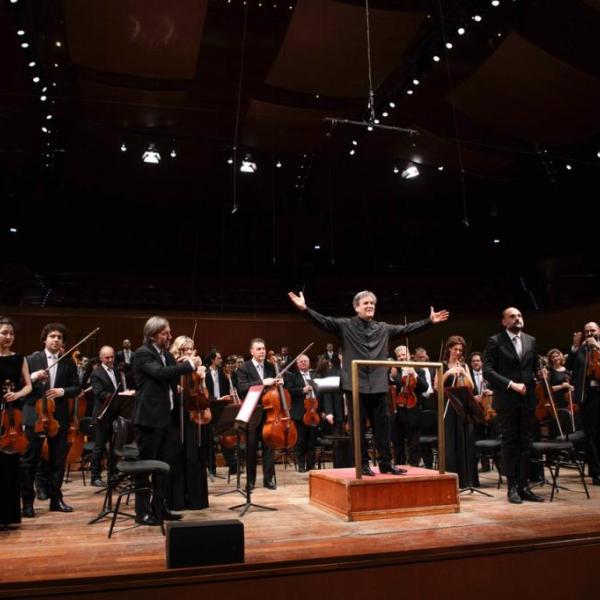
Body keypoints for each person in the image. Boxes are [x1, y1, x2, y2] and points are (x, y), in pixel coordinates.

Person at [288, 289, 449, 476]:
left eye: (372, 303)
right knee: (358, 428)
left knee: (383, 428)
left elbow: (407, 329)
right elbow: (323, 321)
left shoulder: (383, 328)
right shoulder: (345, 325)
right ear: (357, 307)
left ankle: (386, 464)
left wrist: (429, 322)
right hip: (355, 386)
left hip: (379, 386)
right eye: (365, 303)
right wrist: (305, 309)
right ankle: (362, 464)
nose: (370, 306)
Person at [132, 316, 201, 526]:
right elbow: (161, 374)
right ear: (152, 335)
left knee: (162, 467)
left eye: (169, 332)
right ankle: (142, 512)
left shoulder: (164, 354)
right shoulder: (143, 353)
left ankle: (159, 508)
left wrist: (185, 363)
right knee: (145, 468)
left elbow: (173, 372)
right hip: (149, 420)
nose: (170, 336)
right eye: (165, 333)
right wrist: (188, 365)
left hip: (166, 419)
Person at [483, 307, 544, 503]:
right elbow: (488, 370)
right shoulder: (495, 341)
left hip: (527, 400)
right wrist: (511, 385)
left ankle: (524, 485)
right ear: (504, 321)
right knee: (509, 444)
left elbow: (534, 367)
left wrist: (541, 374)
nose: (517, 318)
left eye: (519, 315)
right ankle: (512, 488)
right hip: (507, 400)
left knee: (526, 444)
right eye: (512, 316)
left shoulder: (531, 340)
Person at [22, 323, 81, 516]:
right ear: (45, 339)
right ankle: (28, 504)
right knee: (30, 461)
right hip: (35, 415)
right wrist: (32, 376)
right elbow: (20, 385)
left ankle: (56, 500)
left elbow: (76, 388)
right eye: (52, 336)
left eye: (59, 337)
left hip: (59, 416)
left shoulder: (68, 362)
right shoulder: (32, 359)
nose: (56, 340)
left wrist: (62, 391)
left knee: (57, 461)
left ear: (63, 342)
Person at [169, 336, 210, 510]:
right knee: (178, 456)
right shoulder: (173, 366)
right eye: (184, 349)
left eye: (190, 349)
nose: (188, 352)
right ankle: (177, 499)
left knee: (194, 457)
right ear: (177, 350)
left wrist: (202, 378)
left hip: (193, 415)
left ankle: (196, 499)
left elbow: (204, 396)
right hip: (176, 416)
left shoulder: (196, 368)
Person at [434, 336, 479, 488]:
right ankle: (450, 479)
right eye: (456, 349)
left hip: (462, 408)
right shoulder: (442, 364)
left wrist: (464, 373)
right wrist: (449, 372)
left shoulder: (465, 366)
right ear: (449, 349)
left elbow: (471, 387)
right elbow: (436, 386)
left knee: (464, 442)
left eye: (461, 350)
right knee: (450, 443)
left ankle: (466, 480)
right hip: (448, 408)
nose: (458, 352)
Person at [0, 316, 32, 527]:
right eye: (4, 333)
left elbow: (28, 386)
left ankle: (9, 516)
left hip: (12, 416)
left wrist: (17, 395)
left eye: (11, 333)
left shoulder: (20, 358)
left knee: (10, 465)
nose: (8, 336)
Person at [236, 338, 280, 489]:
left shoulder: (270, 366)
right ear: (252, 351)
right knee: (251, 448)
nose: (262, 351)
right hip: (253, 412)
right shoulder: (244, 368)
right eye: (259, 349)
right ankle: (250, 481)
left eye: (264, 348)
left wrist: (278, 383)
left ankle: (268, 480)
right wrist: (263, 382)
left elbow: (274, 388)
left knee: (269, 446)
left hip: (269, 413)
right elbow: (242, 388)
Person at [89, 345, 135, 486]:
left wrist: (125, 393)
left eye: (112, 357)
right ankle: (95, 476)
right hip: (102, 414)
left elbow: (120, 389)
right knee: (100, 446)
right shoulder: (96, 373)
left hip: (115, 413)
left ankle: (113, 475)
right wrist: (120, 395)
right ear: (101, 358)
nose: (110, 360)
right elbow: (100, 394)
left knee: (115, 446)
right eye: (107, 357)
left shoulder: (116, 371)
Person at [567, 323, 600, 485]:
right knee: (591, 437)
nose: (589, 333)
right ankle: (596, 473)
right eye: (587, 331)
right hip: (587, 397)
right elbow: (569, 366)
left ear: (598, 331)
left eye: (592, 330)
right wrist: (574, 346)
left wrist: (598, 348)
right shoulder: (581, 350)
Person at [389, 345, 427, 467]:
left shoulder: (418, 370)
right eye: (399, 356)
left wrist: (414, 375)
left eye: (403, 355)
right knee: (398, 443)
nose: (401, 357)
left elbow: (424, 388)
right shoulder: (395, 371)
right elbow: (390, 385)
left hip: (413, 411)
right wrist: (391, 377)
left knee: (414, 443)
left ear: (409, 355)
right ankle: (399, 467)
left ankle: (414, 467)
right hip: (398, 412)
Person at [285, 354, 319, 472]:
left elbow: (321, 392)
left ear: (309, 363)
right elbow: (289, 391)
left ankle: (311, 465)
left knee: (312, 441)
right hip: (300, 412)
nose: (303, 363)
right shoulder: (292, 377)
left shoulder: (315, 375)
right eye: (301, 362)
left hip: (314, 412)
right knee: (301, 440)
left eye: (305, 361)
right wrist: (302, 390)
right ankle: (300, 464)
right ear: (297, 364)